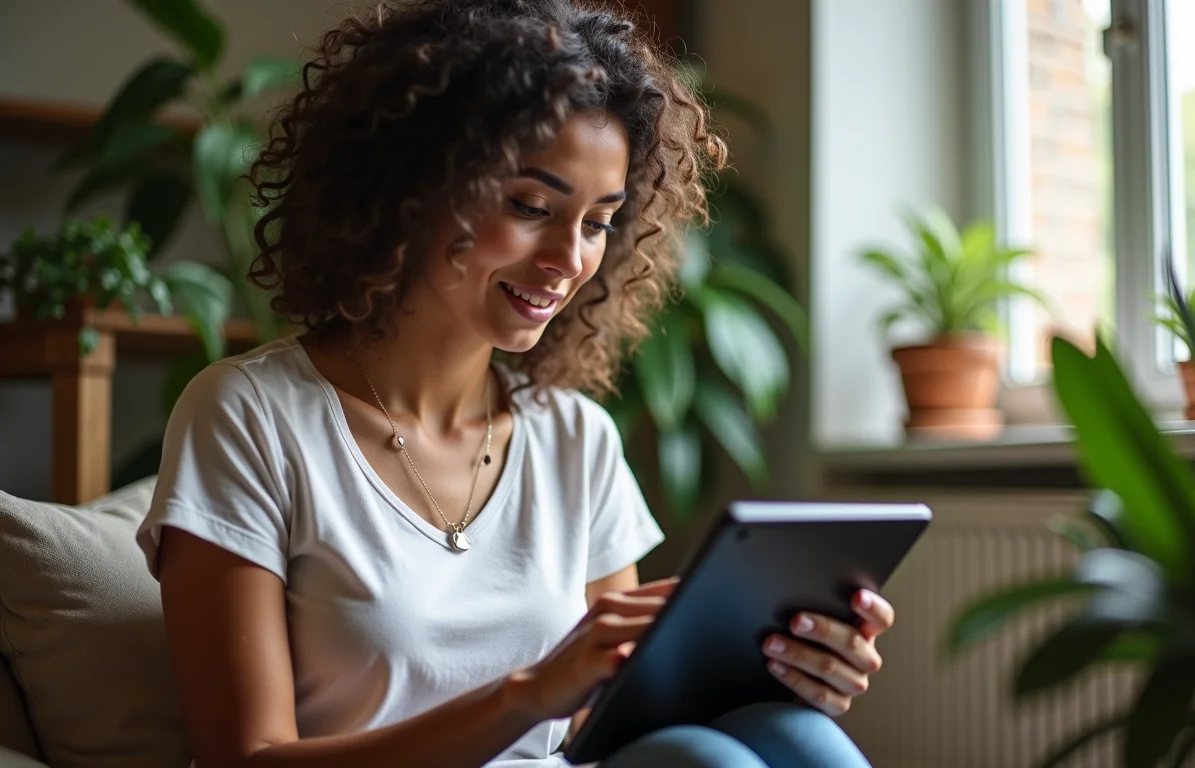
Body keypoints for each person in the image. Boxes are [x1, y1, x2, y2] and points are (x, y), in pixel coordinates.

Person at [135, 1, 894, 766]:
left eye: (599, 221)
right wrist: (526, 694)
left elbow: (607, 721)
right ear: (411, 188)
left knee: (798, 737)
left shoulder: (575, 438)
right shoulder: (250, 417)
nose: (569, 258)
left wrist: (785, 669)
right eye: (531, 206)